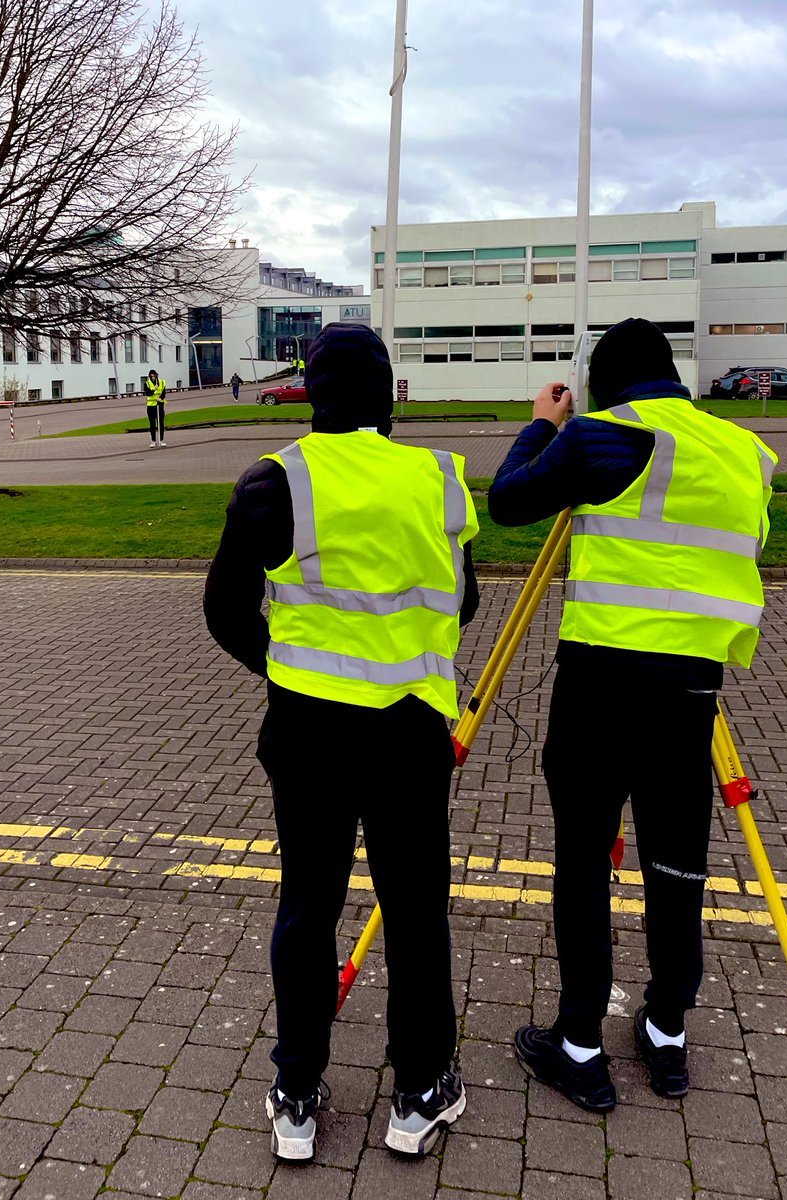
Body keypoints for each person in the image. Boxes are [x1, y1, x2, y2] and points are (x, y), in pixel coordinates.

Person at [204, 323, 480, 1162]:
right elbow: (461, 604)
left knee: (308, 904)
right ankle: (420, 1090)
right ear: (388, 390)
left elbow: (223, 612)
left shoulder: (274, 480)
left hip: (308, 730)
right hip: (407, 726)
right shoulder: (437, 478)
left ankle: (295, 1093)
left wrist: (291, 670)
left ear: (311, 390)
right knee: (414, 909)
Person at [488, 318, 776, 1111]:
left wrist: (541, 426)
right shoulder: (741, 453)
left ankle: (578, 1042)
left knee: (584, 860)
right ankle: (667, 1031)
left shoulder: (601, 435)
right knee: (676, 860)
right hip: (692, 689)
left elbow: (508, 502)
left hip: (600, 682)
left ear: (606, 380)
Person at [144, 369, 166, 445]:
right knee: (152, 424)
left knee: (161, 423)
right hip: (151, 406)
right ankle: (153, 441)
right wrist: (154, 389)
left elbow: (163, 393)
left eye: (154, 376)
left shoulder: (162, 382)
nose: (153, 377)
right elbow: (148, 393)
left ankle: (161, 440)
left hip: (159, 405)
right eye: (151, 376)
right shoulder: (147, 383)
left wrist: (161, 398)